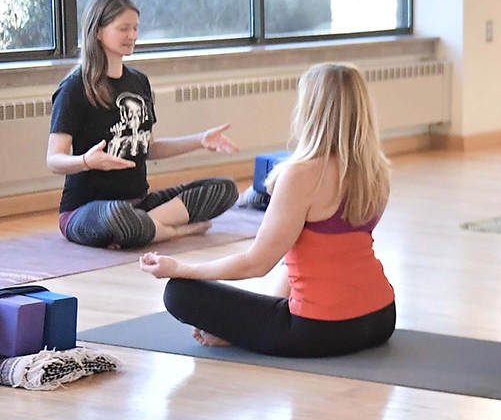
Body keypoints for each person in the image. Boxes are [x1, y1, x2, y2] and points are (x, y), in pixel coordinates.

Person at [139, 62, 395, 359]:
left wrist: (180, 268)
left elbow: (255, 264)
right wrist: (262, 325)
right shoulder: (377, 172)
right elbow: (310, 256)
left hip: (321, 331)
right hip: (380, 317)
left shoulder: (300, 175)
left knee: (180, 292)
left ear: (310, 110)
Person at [46, 0, 240, 249]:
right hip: (88, 210)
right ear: (98, 32)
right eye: (123, 28)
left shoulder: (139, 82)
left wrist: (200, 141)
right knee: (117, 217)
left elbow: (147, 148)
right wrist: (86, 161)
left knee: (225, 189)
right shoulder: (74, 89)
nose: (133, 36)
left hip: (137, 202)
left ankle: (145, 226)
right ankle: (172, 231)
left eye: (136, 28)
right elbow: (54, 160)